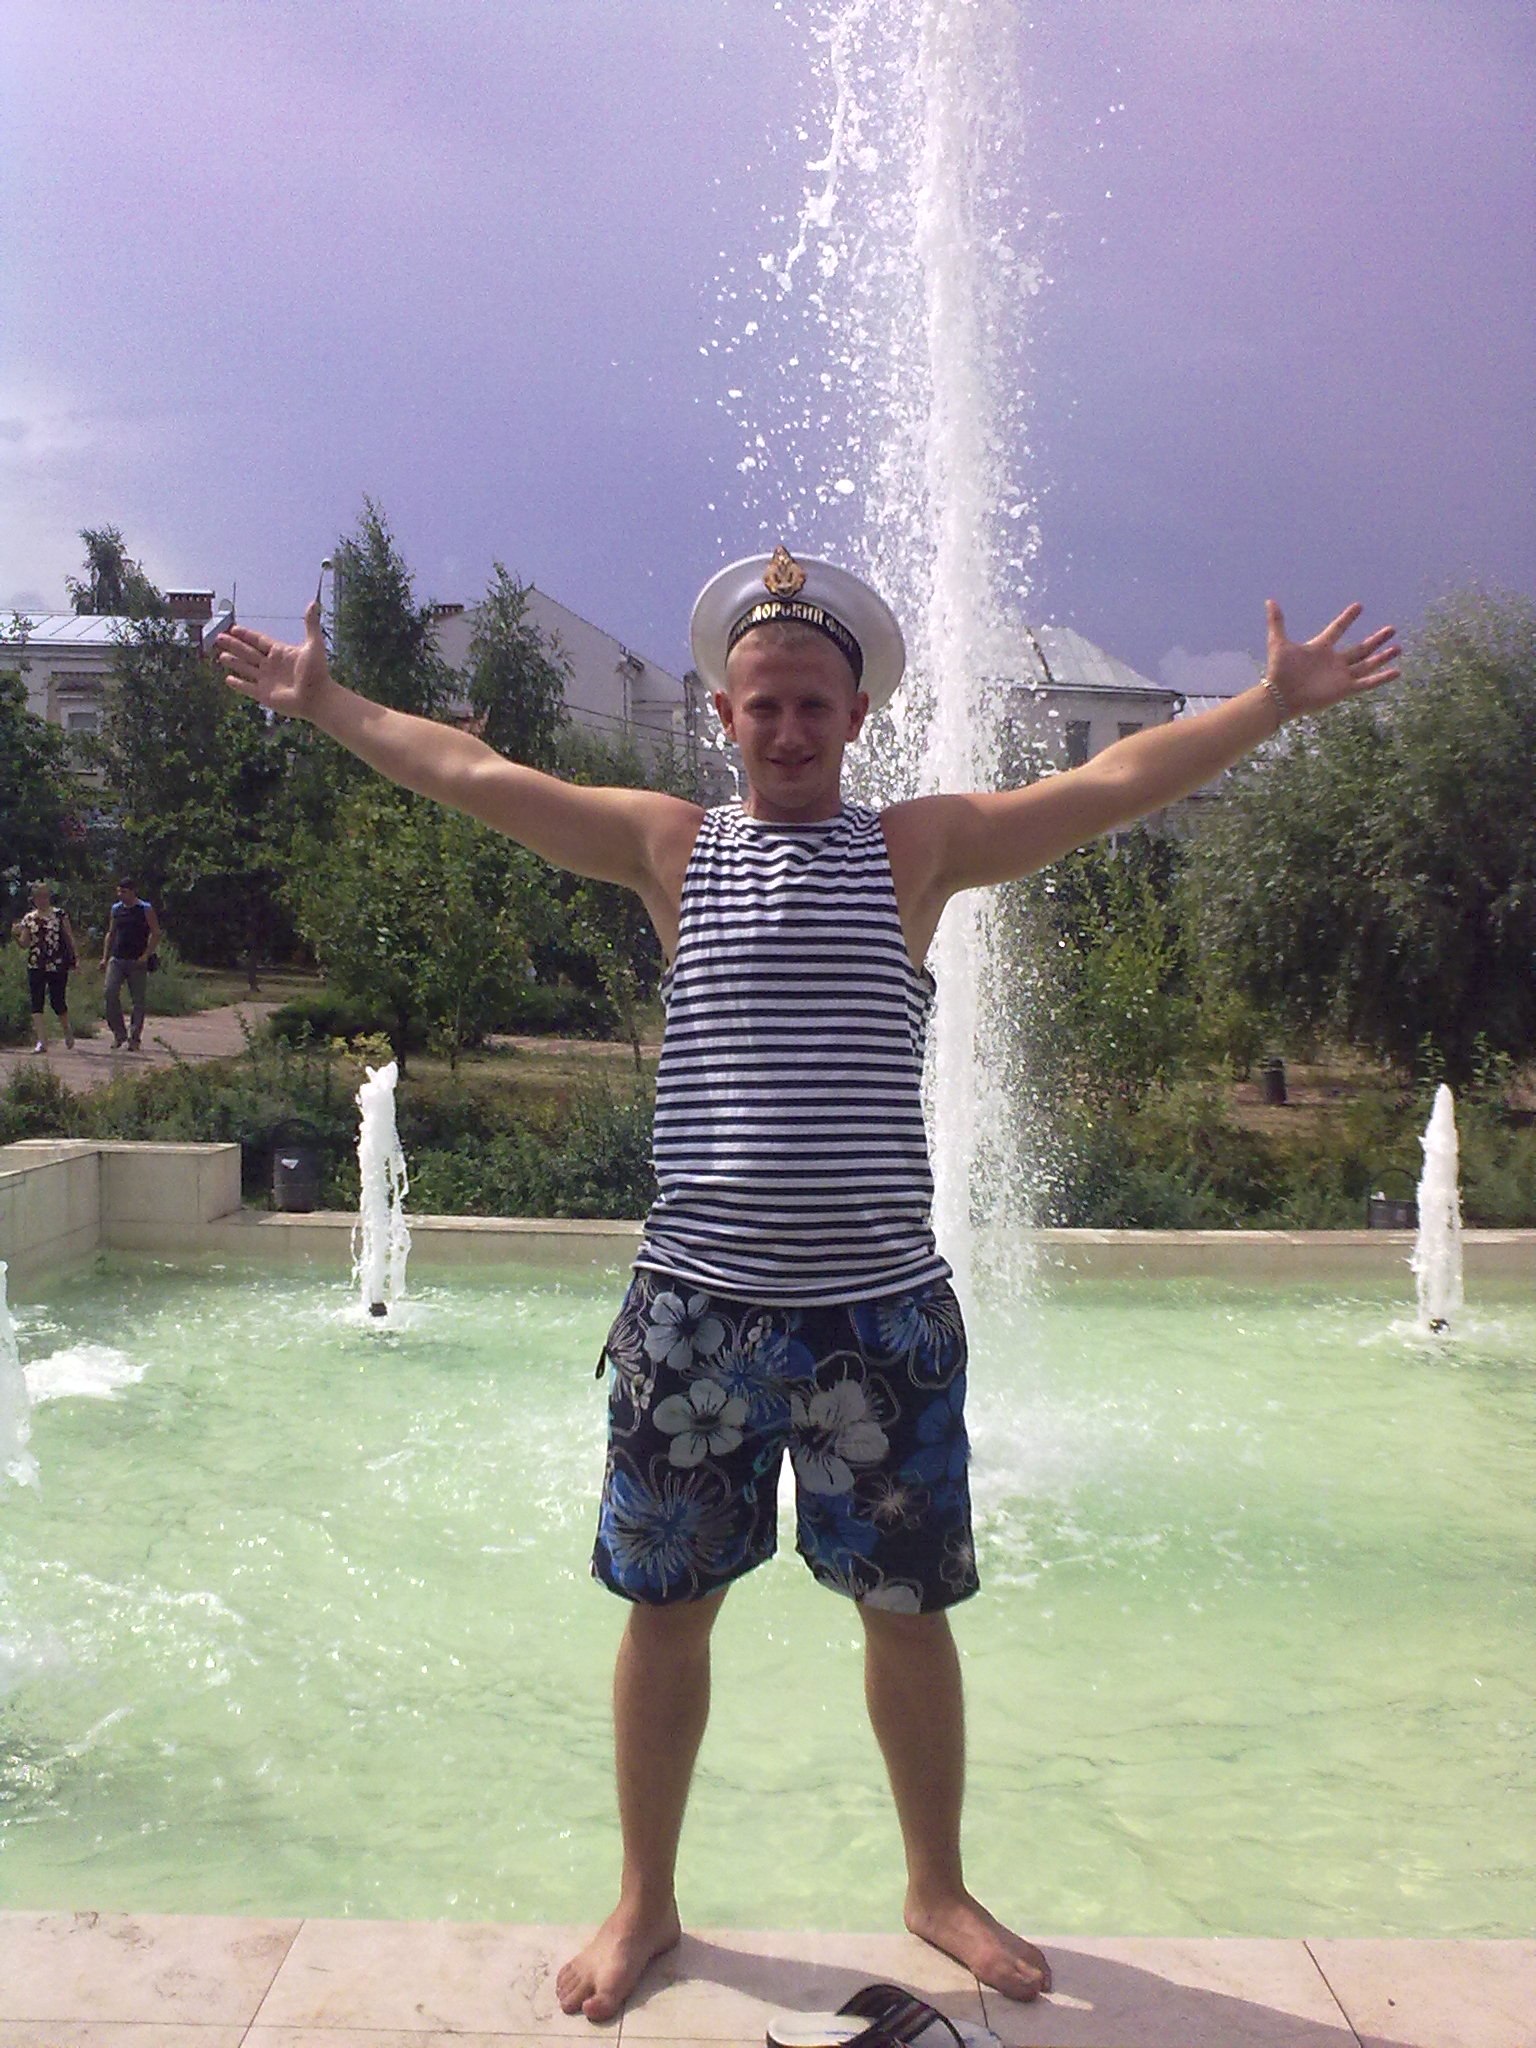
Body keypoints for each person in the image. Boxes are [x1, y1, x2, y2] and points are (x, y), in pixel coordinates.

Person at [216, 550, 1398, 2021]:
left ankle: (935, 1885)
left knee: (908, 1613)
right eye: (763, 704)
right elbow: (474, 773)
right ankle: (646, 1898)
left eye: (814, 706)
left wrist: (1269, 707)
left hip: (880, 1320)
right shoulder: (670, 847)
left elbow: (1108, 785)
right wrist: (328, 703)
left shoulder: (918, 850)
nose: (788, 729)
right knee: (668, 1613)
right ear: (725, 712)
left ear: (855, 717)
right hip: (695, 1318)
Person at [14, 879, 78, 1053]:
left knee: (57, 1001)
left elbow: (69, 937)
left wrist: (75, 958)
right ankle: (42, 1041)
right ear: (33, 899)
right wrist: (16, 935)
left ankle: (67, 1029)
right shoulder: (29, 918)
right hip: (36, 963)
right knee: (36, 1002)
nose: (42, 900)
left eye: (45, 896)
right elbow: (25, 943)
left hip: (57, 963)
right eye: (38, 897)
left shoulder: (59, 915)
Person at [100, 878, 162, 1052]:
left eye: (124, 892)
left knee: (138, 1001)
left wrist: (146, 955)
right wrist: (105, 957)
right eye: (119, 891)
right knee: (110, 992)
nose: (121, 895)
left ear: (133, 891)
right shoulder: (116, 909)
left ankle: (134, 1038)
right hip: (117, 959)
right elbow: (111, 933)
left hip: (137, 960)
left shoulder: (145, 909)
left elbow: (156, 933)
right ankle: (119, 1033)